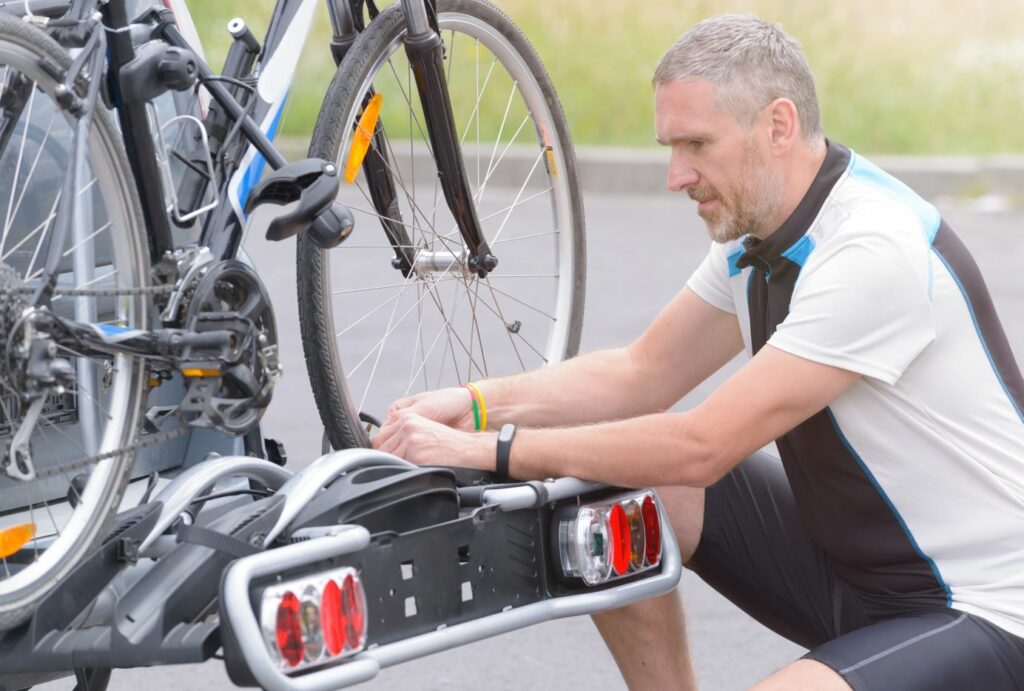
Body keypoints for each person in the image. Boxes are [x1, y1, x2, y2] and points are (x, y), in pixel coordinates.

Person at [372, 13, 1024, 690]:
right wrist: (472, 405)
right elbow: (640, 373)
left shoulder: (872, 248)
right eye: (668, 147)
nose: (675, 175)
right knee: (608, 475)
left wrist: (491, 449)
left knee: (624, 453)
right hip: (858, 581)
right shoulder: (758, 235)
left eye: (696, 145)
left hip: (985, 610)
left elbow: (703, 445)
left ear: (778, 125)